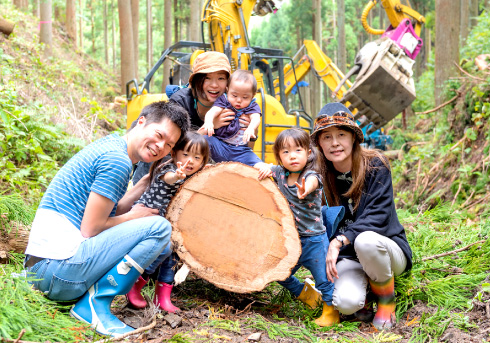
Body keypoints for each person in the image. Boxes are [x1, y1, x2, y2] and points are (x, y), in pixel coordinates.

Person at [23, 101, 190, 337]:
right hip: (56, 273)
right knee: (160, 229)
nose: (161, 146)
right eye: (159, 135)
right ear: (141, 121)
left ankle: (90, 300)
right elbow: (92, 228)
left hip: (39, 269)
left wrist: (143, 185)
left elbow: (110, 212)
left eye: (169, 144)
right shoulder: (117, 161)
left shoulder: (113, 147)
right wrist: (135, 216)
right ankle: (94, 305)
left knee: (148, 223)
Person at [311, 102, 412, 330]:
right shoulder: (317, 176)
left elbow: (378, 215)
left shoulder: (376, 165)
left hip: (385, 250)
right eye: (326, 137)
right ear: (319, 142)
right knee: (346, 304)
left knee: (365, 239)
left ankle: (386, 301)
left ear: (353, 138)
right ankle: (365, 292)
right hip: (349, 259)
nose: (335, 143)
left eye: (341, 135)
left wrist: (339, 241)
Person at [132, 51, 253, 184]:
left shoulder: (234, 106)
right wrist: (210, 126)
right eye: (207, 78)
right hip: (167, 164)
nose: (214, 85)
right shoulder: (181, 101)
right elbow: (170, 144)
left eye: (221, 78)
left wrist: (252, 132)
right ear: (196, 80)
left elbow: (242, 149)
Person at [257, 128, 337, 327]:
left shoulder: (311, 175)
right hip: (290, 240)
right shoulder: (280, 173)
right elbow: (259, 165)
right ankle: (305, 294)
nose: (292, 156)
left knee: (323, 278)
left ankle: (331, 310)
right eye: (285, 152)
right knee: (280, 273)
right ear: (279, 157)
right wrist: (264, 167)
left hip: (314, 240)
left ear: (308, 153)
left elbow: (312, 182)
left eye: (298, 150)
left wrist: (305, 188)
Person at [126, 132, 209, 312]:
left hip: (169, 223)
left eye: (197, 157)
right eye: (185, 155)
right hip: (151, 217)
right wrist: (177, 175)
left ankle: (162, 296)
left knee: (172, 256)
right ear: (174, 154)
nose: (191, 161)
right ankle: (135, 284)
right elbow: (169, 178)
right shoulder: (169, 169)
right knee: (162, 250)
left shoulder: (194, 177)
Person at [201, 69, 263, 167]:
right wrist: (209, 122)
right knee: (205, 140)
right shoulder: (224, 100)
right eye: (234, 95)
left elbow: (256, 118)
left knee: (259, 164)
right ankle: (203, 165)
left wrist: (251, 128)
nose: (238, 100)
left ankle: (270, 170)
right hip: (221, 145)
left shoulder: (252, 106)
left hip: (241, 151)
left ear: (252, 96)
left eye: (245, 97)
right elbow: (212, 112)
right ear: (227, 90)